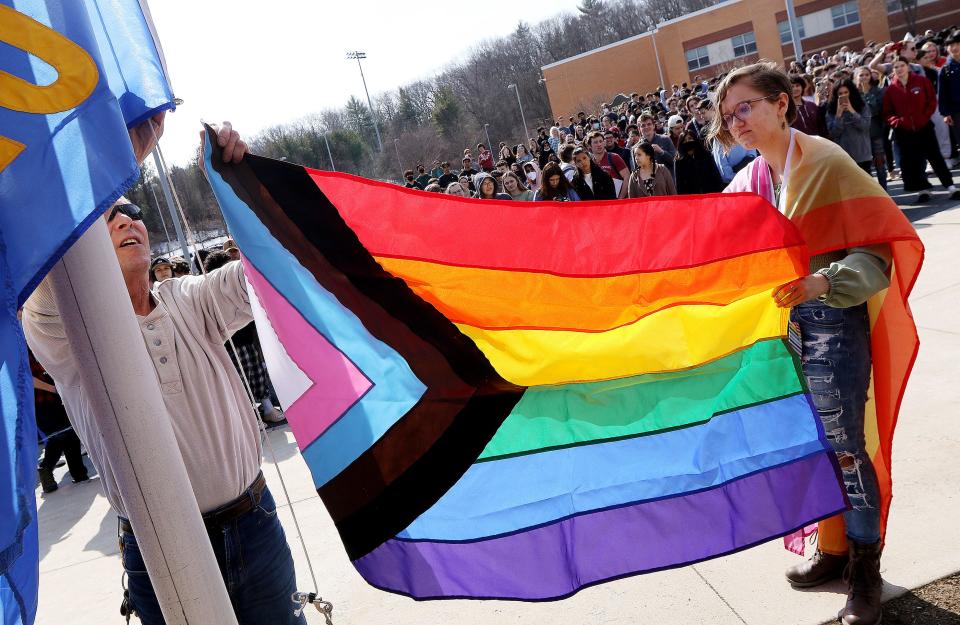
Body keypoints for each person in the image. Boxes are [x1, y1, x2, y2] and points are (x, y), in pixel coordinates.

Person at [22, 120, 306, 625]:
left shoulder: (189, 298)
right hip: (160, 553)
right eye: (107, 217)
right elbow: (42, 283)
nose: (126, 220)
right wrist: (105, 172)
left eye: (132, 211)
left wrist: (242, 181)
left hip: (254, 525)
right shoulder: (71, 334)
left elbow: (265, 269)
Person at [715, 62, 922, 625]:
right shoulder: (749, 183)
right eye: (729, 114)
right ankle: (832, 551)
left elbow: (879, 248)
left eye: (746, 107)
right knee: (809, 447)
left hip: (832, 324)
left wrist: (824, 281)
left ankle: (865, 574)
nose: (737, 122)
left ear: (782, 104)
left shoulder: (826, 161)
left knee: (847, 448)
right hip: (782, 336)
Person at [882, 55, 960, 202]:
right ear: (893, 70)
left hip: (925, 127)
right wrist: (898, 122)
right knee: (914, 161)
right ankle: (923, 190)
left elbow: (931, 101)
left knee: (935, 157)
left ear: (908, 66)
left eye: (902, 65)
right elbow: (887, 113)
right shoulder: (891, 90)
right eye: (896, 67)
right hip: (905, 132)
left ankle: (951, 187)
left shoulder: (921, 81)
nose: (899, 69)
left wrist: (924, 117)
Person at [32, 348, 89, 493]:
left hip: (58, 393)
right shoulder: (20, 349)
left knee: (70, 432)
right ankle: (47, 468)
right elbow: (27, 379)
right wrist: (52, 388)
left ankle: (78, 473)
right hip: (43, 400)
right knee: (59, 436)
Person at [827, 79, 873, 174]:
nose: (843, 95)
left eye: (846, 92)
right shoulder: (831, 110)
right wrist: (838, 115)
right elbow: (833, 133)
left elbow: (865, 126)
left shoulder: (862, 105)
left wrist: (852, 111)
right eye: (840, 93)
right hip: (843, 156)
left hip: (862, 154)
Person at [855, 66, 889, 189]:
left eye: (866, 75)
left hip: (875, 133)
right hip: (860, 135)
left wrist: (867, 93)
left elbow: (874, 110)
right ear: (856, 77)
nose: (864, 77)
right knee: (864, 167)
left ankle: (884, 190)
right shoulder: (853, 94)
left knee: (880, 164)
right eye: (861, 75)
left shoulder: (877, 91)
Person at [938, 30, 960, 167]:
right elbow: (942, 94)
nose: (954, 47)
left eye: (958, 43)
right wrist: (945, 113)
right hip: (957, 113)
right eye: (951, 44)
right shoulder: (945, 69)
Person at [586, 131, 630, 198]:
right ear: (589, 146)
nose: (599, 144)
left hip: (618, 202)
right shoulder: (590, 162)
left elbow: (627, 177)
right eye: (595, 142)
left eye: (601, 141)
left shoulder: (614, 157)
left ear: (604, 143)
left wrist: (620, 199)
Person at [638, 113, 677, 179]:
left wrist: (662, 152)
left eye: (649, 124)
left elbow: (675, 161)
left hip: (668, 181)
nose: (646, 127)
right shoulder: (637, 148)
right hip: (650, 184)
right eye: (643, 125)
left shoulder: (665, 139)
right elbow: (638, 171)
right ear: (639, 129)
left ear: (654, 126)